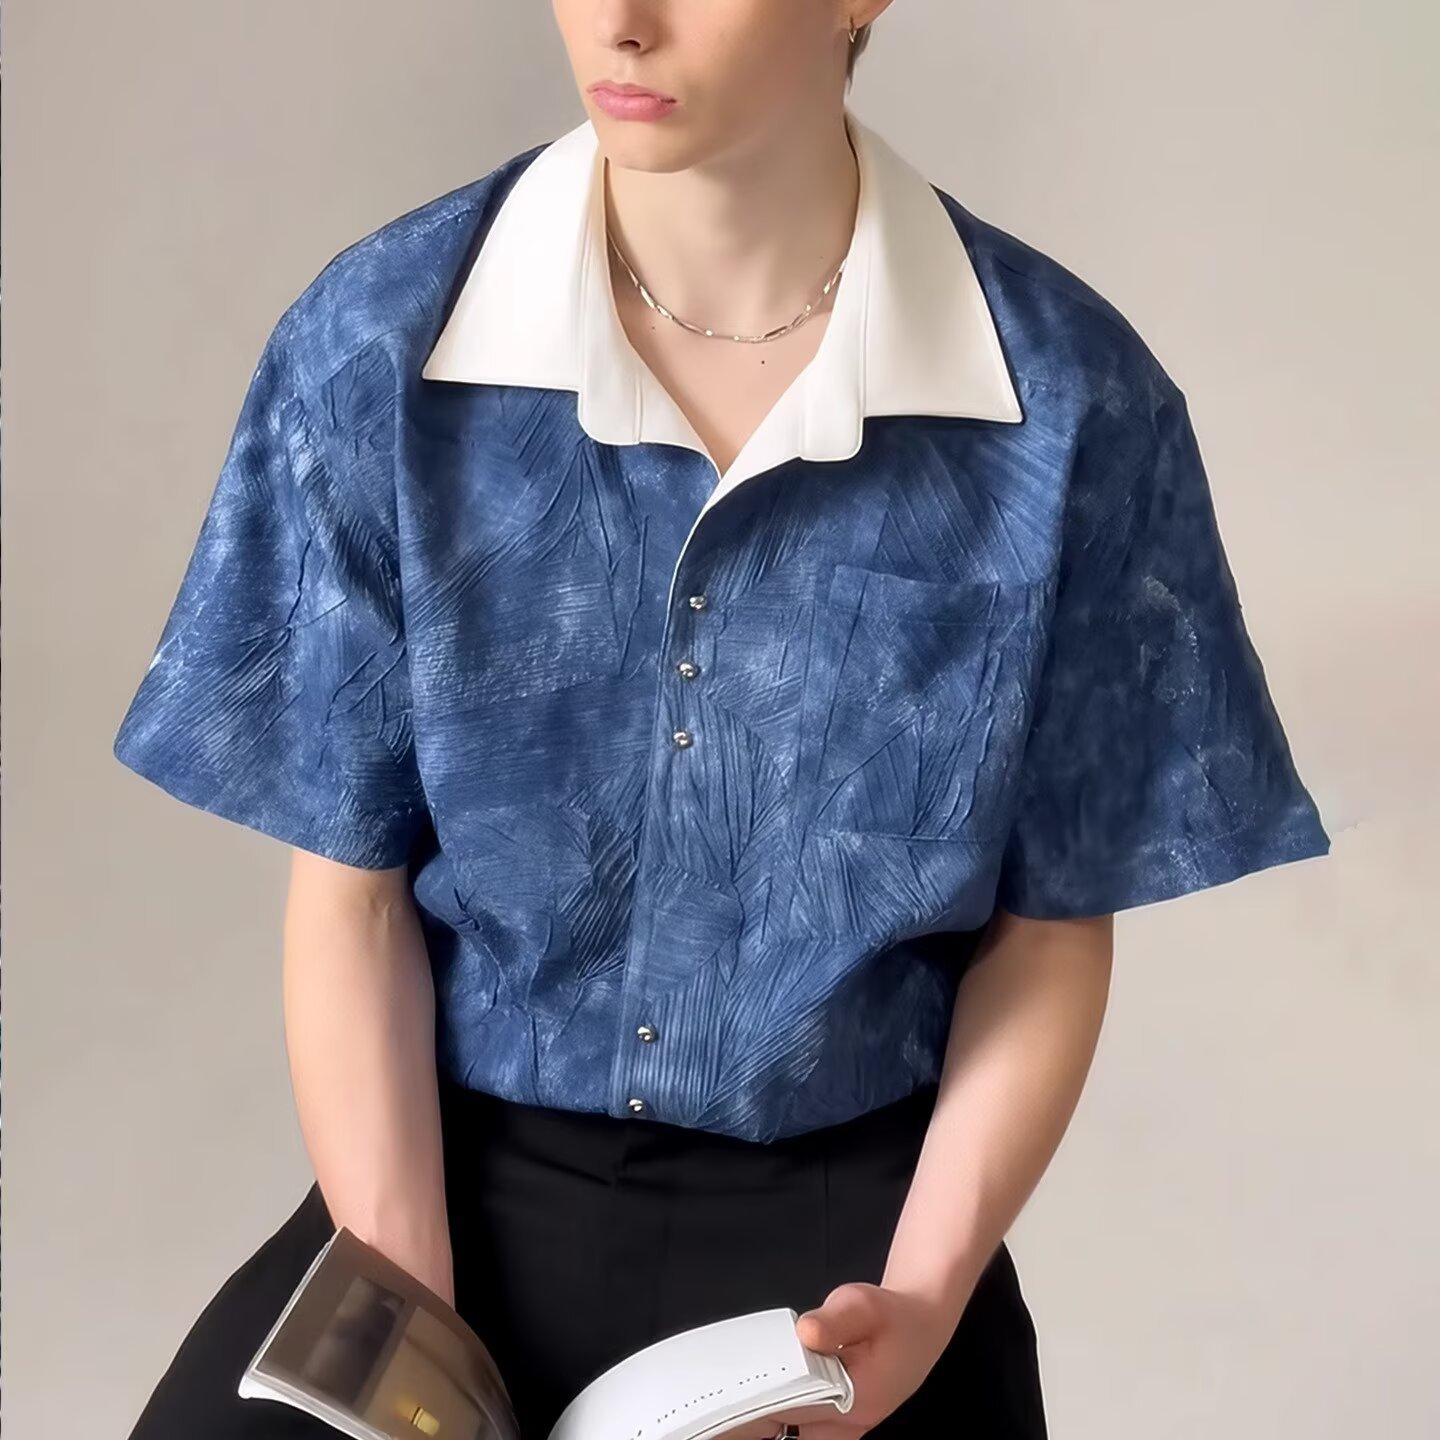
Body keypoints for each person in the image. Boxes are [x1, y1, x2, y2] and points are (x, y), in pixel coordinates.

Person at [111, 3, 1332, 1438]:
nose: (620, 23)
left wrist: (923, 1298)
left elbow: (1051, 931)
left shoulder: (1068, 406)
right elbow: (351, 895)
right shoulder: (378, 344)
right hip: (439, 1192)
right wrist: (412, 1326)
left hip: (852, 1253)